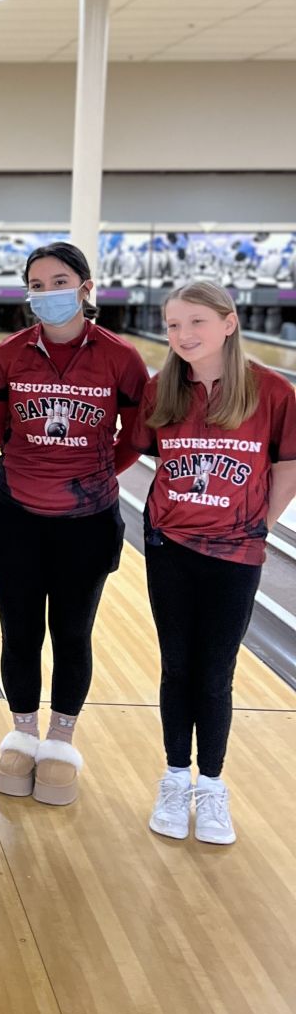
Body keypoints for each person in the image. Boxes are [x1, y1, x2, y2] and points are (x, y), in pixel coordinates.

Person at [0, 242, 148, 806]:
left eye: (59, 281)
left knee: (72, 632)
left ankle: (61, 737)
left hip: (88, 519)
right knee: (20, 629)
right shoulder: (8, 356)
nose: (47, 293)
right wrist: (38, 465)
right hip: (16, 514)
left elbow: (137, 434)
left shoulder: (120, 358)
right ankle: (24, 729)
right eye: (37, 283)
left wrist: (92, 469)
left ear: (85, 287)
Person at [132, 281, 296, 844]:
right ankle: (176, 776)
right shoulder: (162, 392)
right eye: (173, 325)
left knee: (215, 672)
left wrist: (261, 526)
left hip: (236, 552)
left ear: (229, 322)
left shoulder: (272, 391)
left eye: (195, 322)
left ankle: (213, 786)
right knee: (177, 666)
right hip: (169, 548)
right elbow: (134, 453)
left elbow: (288, 465)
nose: (181, 335)